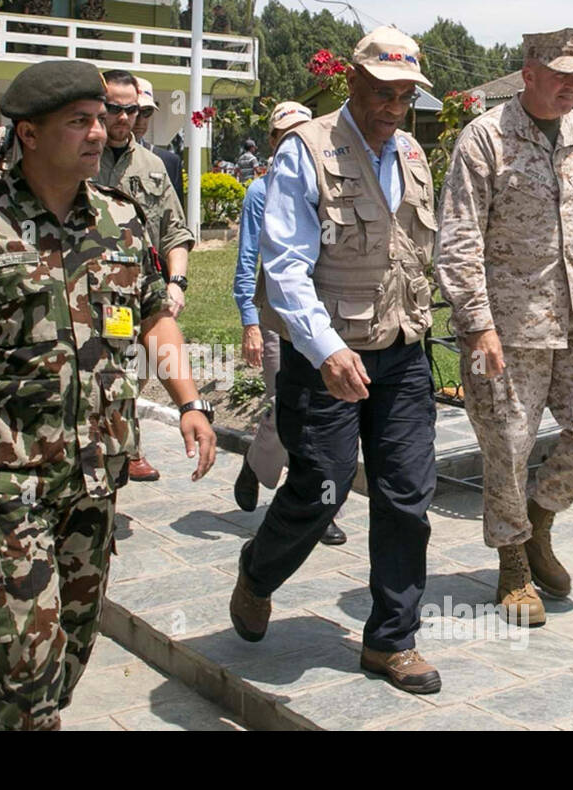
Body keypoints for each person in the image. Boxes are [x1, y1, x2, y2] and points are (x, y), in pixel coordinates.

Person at [0, 60, 217, 730]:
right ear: (28, 134)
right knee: (24, 653)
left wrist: (190, 402)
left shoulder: (121, 221)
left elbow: (154, 316)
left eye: (103, 118)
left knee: (71, 645)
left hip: (93, 481)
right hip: (2, 481)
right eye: (79, 121)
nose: (100, 132)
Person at [229, 26, 442, 694]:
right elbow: (286, 268)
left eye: (405, 94)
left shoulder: (411, 152)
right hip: (325, 356)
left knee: (406, 494)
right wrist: (325, 350)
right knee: (320, 489)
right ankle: (258, 572)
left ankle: (391, 640)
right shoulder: (307, 150)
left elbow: (416, 253)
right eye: (382, 90)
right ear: (350, 81)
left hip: (402, 352)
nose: (394, 105)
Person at [434, 28, 573, 627]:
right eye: (560, 74)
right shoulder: (485, 139)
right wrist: (476, 324)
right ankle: (513, 567)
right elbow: (459, 240)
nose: (571, 86)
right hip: (508, 327)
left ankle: (539, 520)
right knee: (508, 448)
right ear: (528, 72)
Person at [231, 100, 346, 547]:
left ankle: (321, 506)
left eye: (304, 130)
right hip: (279, 320)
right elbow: (248, 260)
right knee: (287, 406)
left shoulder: (333, 182)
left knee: (328, 415)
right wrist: (249, 322)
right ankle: (261, 466)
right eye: (285, 134)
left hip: (332, 319)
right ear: (274, 142)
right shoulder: (260, 192)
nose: (295, 141)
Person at [94, 68, 195, 482]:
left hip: (139, 294)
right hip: (84, 292)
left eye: (129, 109)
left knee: (132, 371)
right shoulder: (80, 157)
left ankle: (128, 447)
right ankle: (96, 447)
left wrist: (177, 281)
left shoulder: (154, 165)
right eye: (113, 109)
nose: (121, 118)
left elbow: (175, 230)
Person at [132, 77, 183, 199]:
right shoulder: (94, 159)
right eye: (134, 111)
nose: (140, 120)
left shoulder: (168, 163)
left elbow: (175, 215)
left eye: (147, 112)